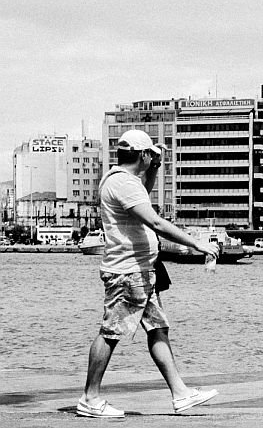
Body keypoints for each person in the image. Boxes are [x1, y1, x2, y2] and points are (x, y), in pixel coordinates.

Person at [77, 129, 220, 418]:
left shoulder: (125, 181)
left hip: (142, 270)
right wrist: (196, 243)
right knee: (111, 332)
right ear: (142, 154)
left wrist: (154, 168)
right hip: (128, 272)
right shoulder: (124, 185)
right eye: (150, 155)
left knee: (157, 328)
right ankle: (90, 398)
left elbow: (143, 195)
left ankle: (180, 394)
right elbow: (155, 221)